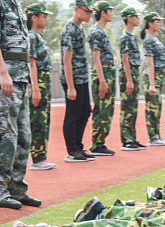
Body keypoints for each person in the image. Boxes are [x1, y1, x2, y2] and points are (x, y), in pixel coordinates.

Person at [0, 0, 39, 208]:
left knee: (23, 138)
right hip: (2, 79)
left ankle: (15, 188)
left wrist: (27, 78)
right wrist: (3, 72)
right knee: (3, 136)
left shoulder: (15, 4)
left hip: (19, 78)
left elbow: (23, 46)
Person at [60, 0, 93, 162]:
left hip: (82, 77)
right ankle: (72, 150)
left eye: (91, 12)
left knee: (85, 111)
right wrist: (70, 87)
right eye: (87, 11)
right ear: (77, 9)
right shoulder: (69, 29)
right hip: (73, 79)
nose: (90, 15)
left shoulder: (80, 28)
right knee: (73, 114)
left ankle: (78, 146)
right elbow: (67, 60)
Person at [27, 3, 57, 169]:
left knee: (44, 119)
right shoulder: (31, 37)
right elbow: (32, 63)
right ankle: (38, 157)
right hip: (39, 80)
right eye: (44, 16)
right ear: (34, 18)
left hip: (43, 79)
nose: (47, 19)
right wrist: (35, 88)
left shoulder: (38, 36)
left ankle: (41, 156)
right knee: (38, 119)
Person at [87, 0, 115, 157]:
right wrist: (102, 81)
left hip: (108, 71)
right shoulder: (96, 32)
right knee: (101, 110)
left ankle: (101, 143)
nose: (112, 14)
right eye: (109, 11)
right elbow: (95, 58)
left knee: (108, 110)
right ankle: (97, 144)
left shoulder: (102, 32)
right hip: (102, 72)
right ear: (102, 13)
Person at [116, 6, 143, 150]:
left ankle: (132, 137)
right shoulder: (125, 37)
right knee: (127, 107)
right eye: (135, 16)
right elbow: (124, 59)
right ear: (128, 18)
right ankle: (126, 140)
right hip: (128, 73)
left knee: (133, 107)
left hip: (133, 71)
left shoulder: (132, 36)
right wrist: (129, 80)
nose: (138, 19)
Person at [140, 11, 165, 146]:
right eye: (157, 21)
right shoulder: (148, 40)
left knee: (157, 106)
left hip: (158, 76)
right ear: (150, 23)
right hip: (152, 76)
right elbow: (150, 62)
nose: (160, 24)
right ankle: (153, 137)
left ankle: (157, 135)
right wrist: (152, 84)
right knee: (152, 107)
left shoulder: (155, 39)